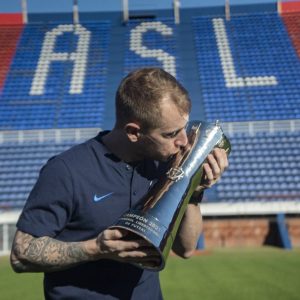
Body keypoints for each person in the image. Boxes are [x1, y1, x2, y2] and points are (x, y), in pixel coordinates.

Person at [10, 68, 228, 299]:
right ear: (134, 132)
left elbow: (186, 249)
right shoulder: (66, 171)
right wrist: (95, 249)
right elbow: (21, 254)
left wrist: (194, 191)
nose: (183, 142)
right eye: (170, 134)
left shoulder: (163, 165)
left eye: (183, 128)